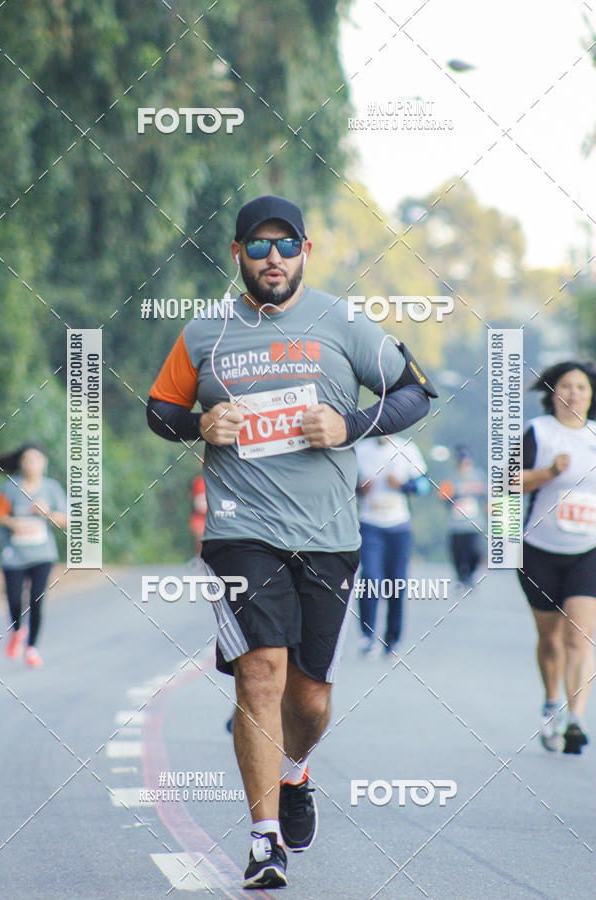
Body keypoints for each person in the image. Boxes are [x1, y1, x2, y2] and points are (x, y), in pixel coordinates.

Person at [146, 195, 436, 888]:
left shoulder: (342, 321)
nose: (271, 258)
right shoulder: (204, 333)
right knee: (260, 673)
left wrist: (350, 426)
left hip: (328, 535)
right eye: (257, 245)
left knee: (308, 700)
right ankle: (263, 839)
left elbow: (415, 394)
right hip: (240, 532)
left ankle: (295, 771)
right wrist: (199, 425)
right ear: (238, 253)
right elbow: (160, 409)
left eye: (284, 245)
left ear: (305, 251)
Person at [517, 362, 596, 755]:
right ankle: (552, 705)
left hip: (589, 551)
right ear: (553, 394)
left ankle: (577, 719)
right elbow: (508, 482)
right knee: (550, 639)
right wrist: (549, 472)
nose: (575, 393)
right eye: (567, 386)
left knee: (579, 636)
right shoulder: (538, 432)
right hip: (539, 551)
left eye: (582, 386)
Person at [355, 434, 429, 657]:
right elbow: (344, 483)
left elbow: (424, 485)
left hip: (398, 525)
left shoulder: (407, 448)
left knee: (396, 583)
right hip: (369, 523)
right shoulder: (360, 449)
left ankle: (392, 638)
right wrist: (360, 488)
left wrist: (404, 485)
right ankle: (368, 636)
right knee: (370, 578)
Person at [0, 443, 67, 668]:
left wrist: (47, 513)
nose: (31, 465)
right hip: (14, 555)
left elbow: (65, 520)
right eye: (26, 460)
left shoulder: (51, 488)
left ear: (43, 463)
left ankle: (32, 647)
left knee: (37, 599)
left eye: (35, 460)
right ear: (21, 463)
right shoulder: (10, 487)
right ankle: (17, 630)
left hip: (42, 554)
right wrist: (12, 522)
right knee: (15, 599)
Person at [438, 446, 487, 587]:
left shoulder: (479, 475)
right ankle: (462, 577)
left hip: (474, 523)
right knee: (458, 553)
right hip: (456, 524)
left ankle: (470, 574)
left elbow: (489, 492)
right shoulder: (451, 478)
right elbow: (443, 496)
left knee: (475, 552)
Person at [189, 473, 207, 557]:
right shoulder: (197, 482)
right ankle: (199, 556)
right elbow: (192, 499)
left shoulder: (218, 481)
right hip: (199, 516)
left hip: (214, 517)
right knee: (199, 535)